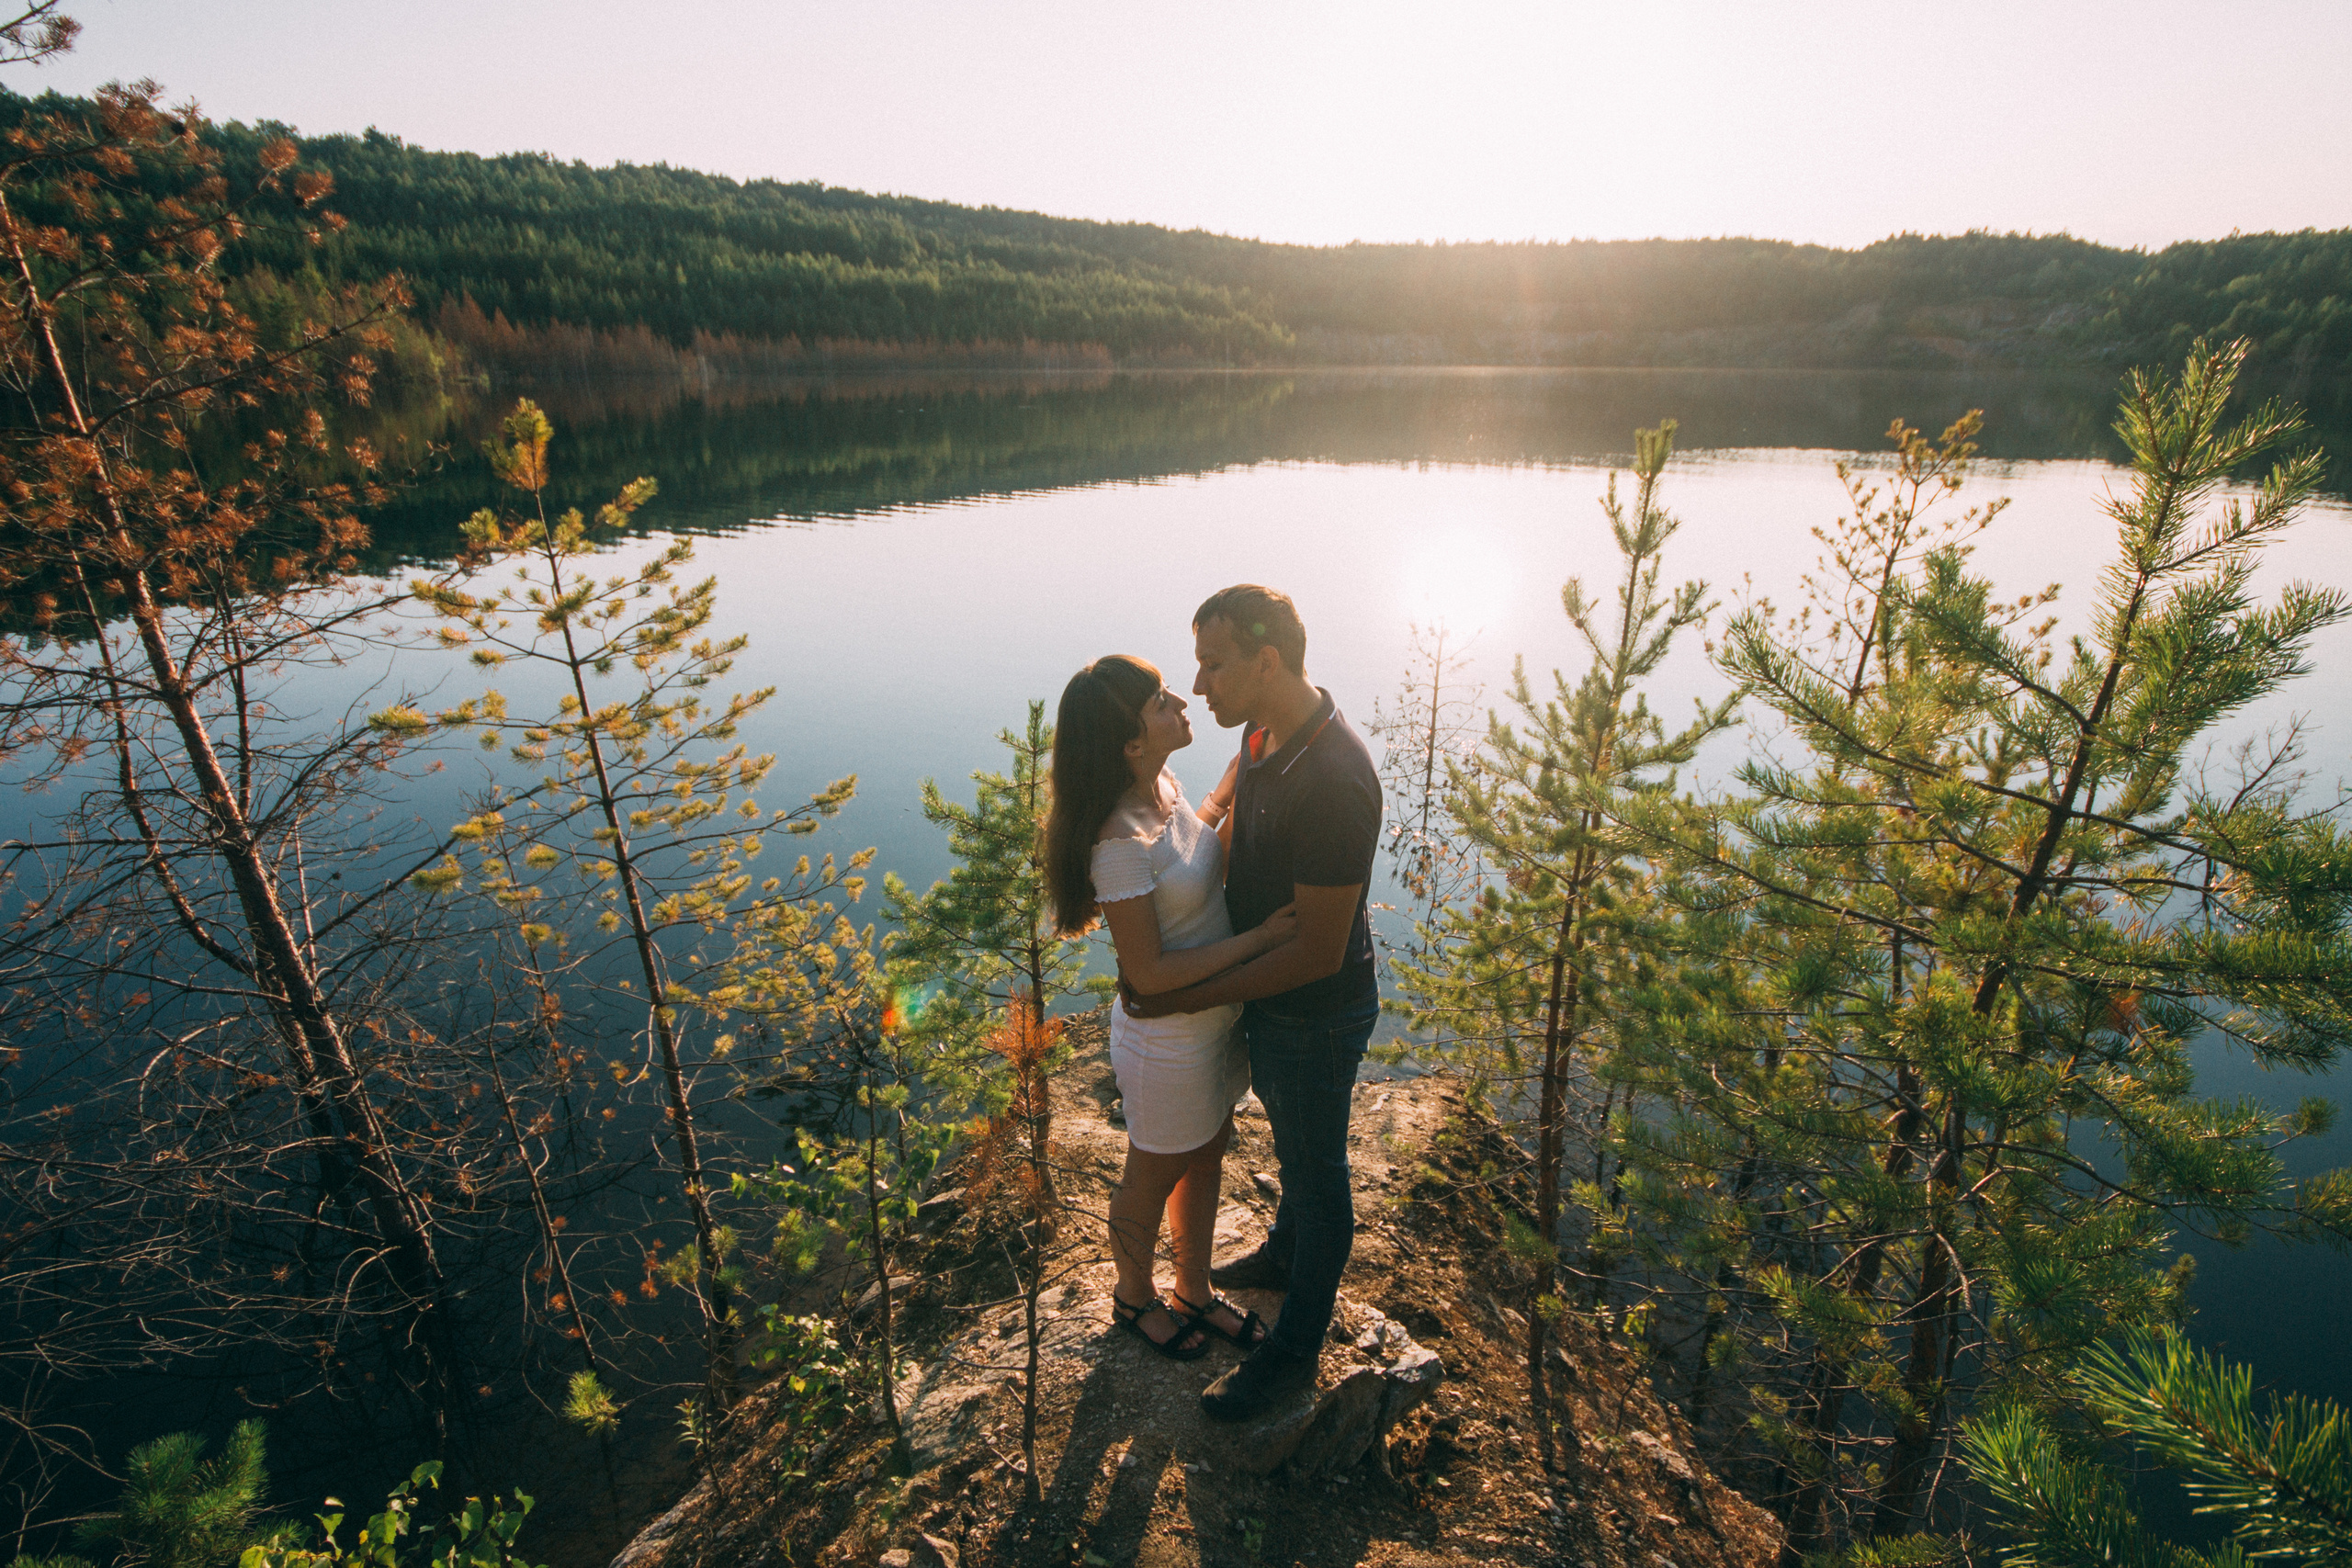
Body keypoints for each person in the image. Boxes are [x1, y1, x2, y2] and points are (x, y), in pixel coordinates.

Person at [1122, 585, 1383, 1422]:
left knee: (1317, 1168)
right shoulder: (1267, 734)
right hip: (1271, 1008)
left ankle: (1295, 1349)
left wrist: (1196, 990)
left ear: (1267, 661)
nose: (1200, 687)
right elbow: (1236, 826)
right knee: (1300, 1149)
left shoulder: (1337, 778)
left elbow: (1316, 950)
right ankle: (1281, 1252)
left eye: (1214, 664)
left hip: (1315, 1013)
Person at [1044, 654, 1297, 1361]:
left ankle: (1192, 1288)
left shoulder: (1161, 785)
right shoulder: (1119, 843)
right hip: (1167, 1044)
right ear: (1129, 741)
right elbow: (1149, 973)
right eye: (1160, 701)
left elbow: (1198, 845)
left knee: (1209, 1152)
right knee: (1152, 1172)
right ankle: (1133, 1296)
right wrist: (1260, 940)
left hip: (1213, 1025)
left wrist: (1244, 769)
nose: (1181, 700)